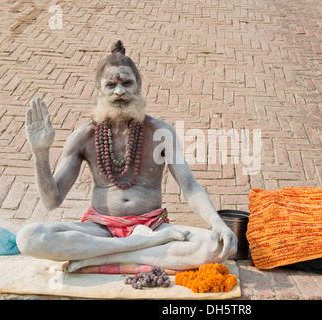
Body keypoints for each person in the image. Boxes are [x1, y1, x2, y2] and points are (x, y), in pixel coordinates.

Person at [16, 40, 237, 272]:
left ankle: (97, 258)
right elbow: (52, 200)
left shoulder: (160, 132)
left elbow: (190, 188)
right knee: (29, 237)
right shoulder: (83, 136)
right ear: (99, 90)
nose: (119, 91)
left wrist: (216, 222)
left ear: (139, 87)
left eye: (127, 83)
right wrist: (40, 152)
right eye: (110, 85)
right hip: (100, 229)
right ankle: (139, 248)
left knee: (215, 246)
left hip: (153, 226)